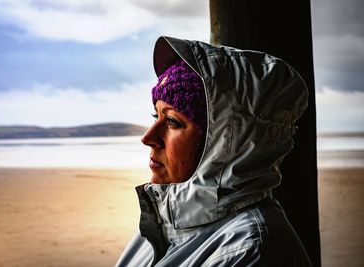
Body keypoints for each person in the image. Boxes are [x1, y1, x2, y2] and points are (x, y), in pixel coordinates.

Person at [115, 36, 313, 267]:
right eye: (155, 116)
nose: (148, 138)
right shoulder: (159, 227)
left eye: (172, 122)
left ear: (224, 141)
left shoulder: (250, 250)